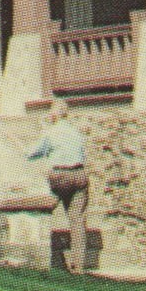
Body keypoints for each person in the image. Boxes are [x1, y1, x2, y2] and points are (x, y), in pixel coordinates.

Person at [24, 98, 92, 272]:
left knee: (43, 209)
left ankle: (42, 257)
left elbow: (32, 153)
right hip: (79, 175)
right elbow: (83, 156)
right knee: (77, 220)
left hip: (59, 176)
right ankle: (79, 265)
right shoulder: (76, 133)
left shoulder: (51, 133)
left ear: (54, 114)